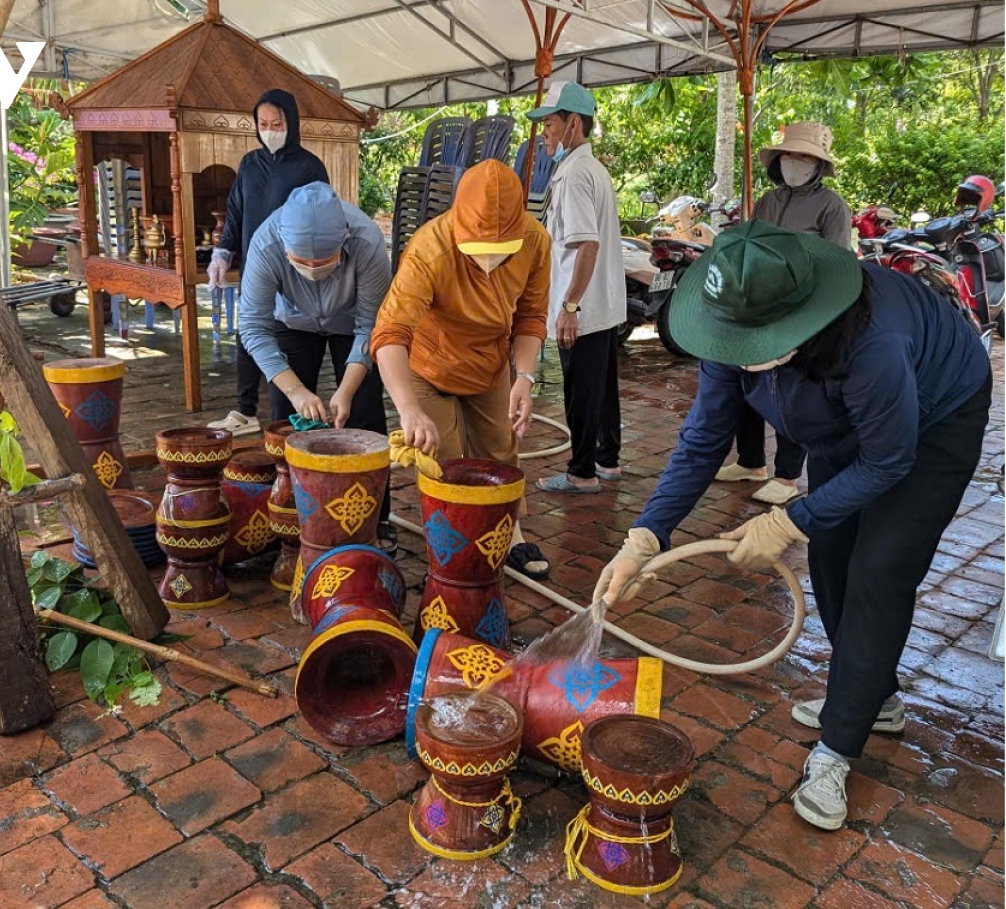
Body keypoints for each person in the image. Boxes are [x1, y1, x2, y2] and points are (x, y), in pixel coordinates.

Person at [596, 220, 991, 831]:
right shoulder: (733, 325)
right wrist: (645, 535)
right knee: (831, 556)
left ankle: (838, 748)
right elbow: (703, 440)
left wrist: (790, 519)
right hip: (837, 424)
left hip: (936, 419)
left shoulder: (873, 341)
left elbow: (889, 459)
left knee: (879, 571)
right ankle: (871, 698)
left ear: (802, 319)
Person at [370, 159, 553, 579]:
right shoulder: (430, 248)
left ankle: (511, 536)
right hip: (430, 367)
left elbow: (530, 317)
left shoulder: (536, 241)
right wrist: (409, 409)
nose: (489, 261)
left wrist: (523, 377)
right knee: (447, 465)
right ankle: (454, 550)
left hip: (490, 363)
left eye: (500, 251)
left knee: (501, 450)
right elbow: (390, 333)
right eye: (478, 251)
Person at [238, 182, 396, 551]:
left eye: (322, 261)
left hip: (351, 324)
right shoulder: (266, 244)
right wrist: (295, 390)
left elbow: (371, 326)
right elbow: (253, 327)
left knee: (365, 412)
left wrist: (346, 390)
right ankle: (290, 512)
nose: (312, 268)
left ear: (343, 241)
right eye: (301, 262)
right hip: (293, 323)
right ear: (284, 245)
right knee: (285, 418)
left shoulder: (368, 242)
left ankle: (377, 518)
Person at [714, 121, 852, 506]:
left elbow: (838, 262)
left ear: (819, 164)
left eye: (805, 156)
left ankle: (788, 476)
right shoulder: (769, 201)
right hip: (760, 304)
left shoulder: (831, 206)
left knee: (792, 389)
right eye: (790, 154)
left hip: (803, 310)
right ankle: (750, 460)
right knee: (750, 380)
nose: (796, 162)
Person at [207, 89, 329, 437]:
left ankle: (292, 411)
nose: (271, 130)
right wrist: (223, 251)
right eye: (263, 124)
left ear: (291, 123)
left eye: (278, 123)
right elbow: (235, 212)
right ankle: (245, 411)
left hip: (293, 268)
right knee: (248, 332)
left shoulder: (309, 166)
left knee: (286, 336)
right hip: (254, 265)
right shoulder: (250, 163)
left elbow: (319, 217)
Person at [524, 81, 627, 494]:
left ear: (573, 124)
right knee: (602, 387)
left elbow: (587, 243)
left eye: (549, 123)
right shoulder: (591, 169)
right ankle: (608, 460)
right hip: (601, 304)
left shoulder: (574, 176)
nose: (545, 133)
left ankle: (581, 472)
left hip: (582, 306)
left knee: (580, 389)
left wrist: (569, 305)